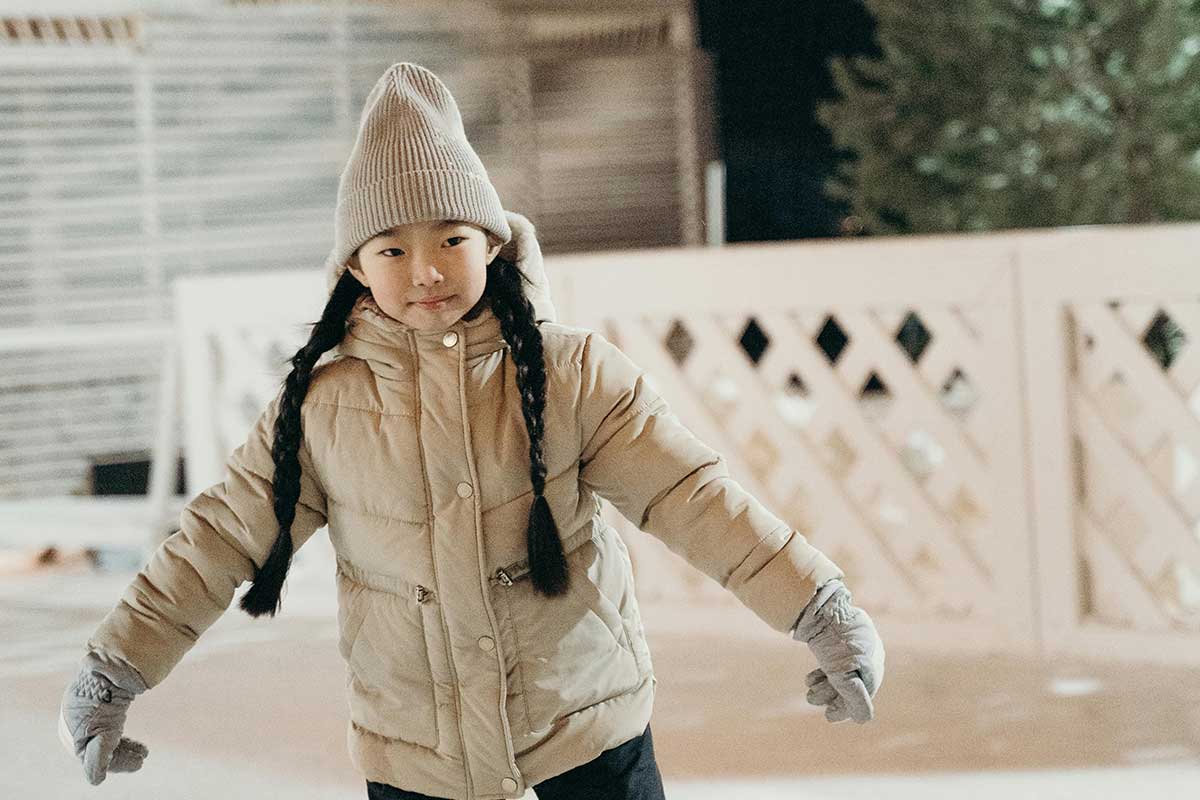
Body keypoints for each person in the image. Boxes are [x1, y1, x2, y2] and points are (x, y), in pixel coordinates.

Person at [58, 62, 885, 800]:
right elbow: (219, 538)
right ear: (355, 265)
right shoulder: (321, 405)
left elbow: (694, 498)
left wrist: (821, 610)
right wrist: (114, 669)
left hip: (585, 720)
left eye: (451, 238)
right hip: (420, 750)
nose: (425, 270)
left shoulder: (573, 375)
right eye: (391, 247)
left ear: (491, 241)